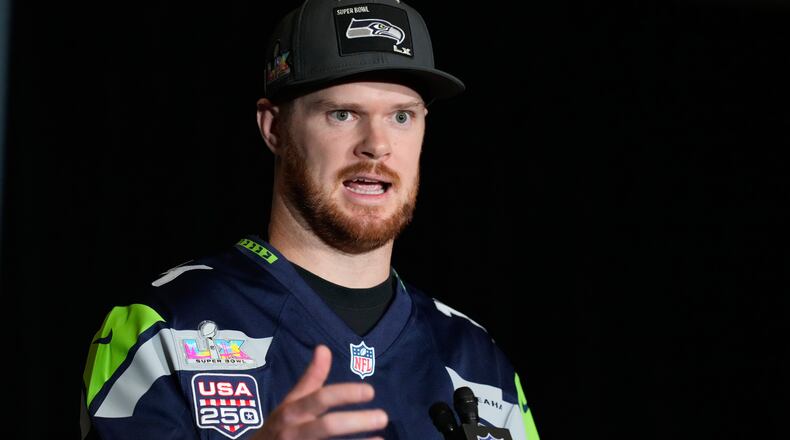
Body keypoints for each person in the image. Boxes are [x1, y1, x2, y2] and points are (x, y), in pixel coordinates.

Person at [80, 0, 540, 439]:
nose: (377, 145)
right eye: (342, 114)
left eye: (401, 116)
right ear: (274, 128)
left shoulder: (479, 364)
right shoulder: (164, 326)